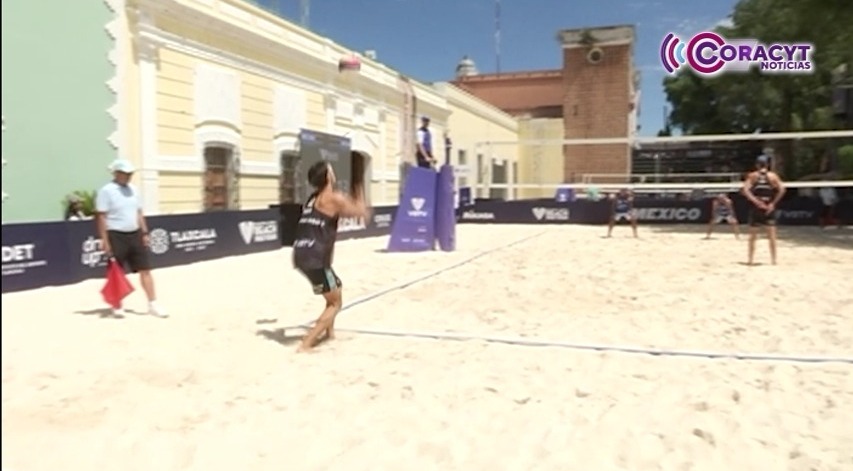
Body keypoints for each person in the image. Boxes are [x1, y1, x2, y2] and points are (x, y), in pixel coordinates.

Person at [292, 161, 370, 352]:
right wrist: (359, 185)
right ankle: (306, 343)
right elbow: (362, 213)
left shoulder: (311, 199)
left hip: (301, 254)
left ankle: (329, 333)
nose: (334, 171)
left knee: (336, 286)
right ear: (327, 176)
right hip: (316, 258)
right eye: (331, 169)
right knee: (335, 303)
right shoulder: (332, 198)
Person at [95, 159, 166, 317]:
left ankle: (152, 303)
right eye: (125, 174)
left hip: (135, 233)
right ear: (116, 173)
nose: (128, 177)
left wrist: (145, 232)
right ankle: (117, 304)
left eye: (130, 174)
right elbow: (101, 216)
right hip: (116, 234)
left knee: (145, 269)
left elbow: (138, 212)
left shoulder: (134, 189)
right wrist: (105, 240)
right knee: (116, 271)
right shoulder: (106, 191)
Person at [741, 154, 786, 265]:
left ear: (757, 164)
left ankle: (751, 260)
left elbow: (745, 190)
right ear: (767, 165)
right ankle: (773, 260)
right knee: (772, 236)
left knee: (753, 236)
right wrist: (773, 203)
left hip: (757, 207)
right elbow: (782, 189)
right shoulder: (773, 176)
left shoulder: (752, 176)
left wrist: (756, 201)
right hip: (768, 207)